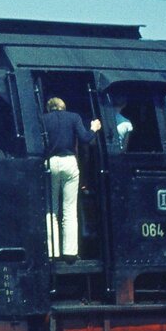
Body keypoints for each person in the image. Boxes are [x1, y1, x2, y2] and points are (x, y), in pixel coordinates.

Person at [42, 97, 101, 260]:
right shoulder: (74, 117)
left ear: (49, 108)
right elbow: (85, 139)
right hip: (69, 162)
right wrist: (94, 128)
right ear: (63, 106)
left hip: (51, 162)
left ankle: (53, 252)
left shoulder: (43, 119)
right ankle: (70, 252)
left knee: (51, 209)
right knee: (69, 208)